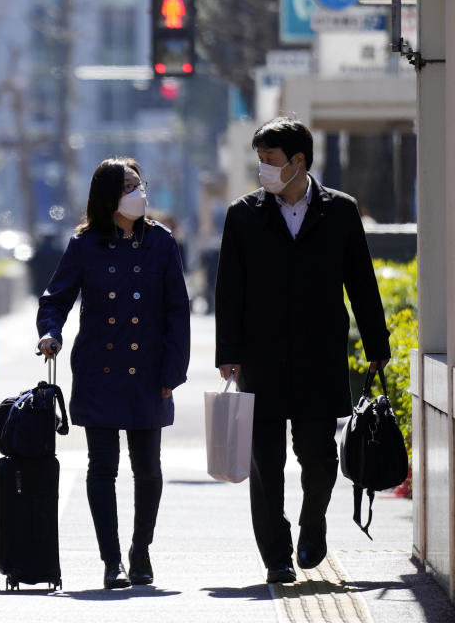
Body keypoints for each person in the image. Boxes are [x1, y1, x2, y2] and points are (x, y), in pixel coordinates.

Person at [214, 117, 390, 584]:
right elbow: (228, 289)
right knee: (264, 462)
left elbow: (362, 283)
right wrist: (228, 352)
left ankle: (313, 526)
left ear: (298, 162)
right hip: (261, 358)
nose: (263, 170)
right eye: (259, 161)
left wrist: (378, 343)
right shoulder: (243, 214)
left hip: (319, 356)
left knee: (319, 456)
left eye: (270, 161)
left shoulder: (341, 211)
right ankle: (275, 554)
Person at [37, 157, 190, 589]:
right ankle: (111, 561)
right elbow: (55, 299)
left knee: (149, 469)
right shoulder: (84, 244)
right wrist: (50, 333)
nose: (137, 192)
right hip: (99, 371)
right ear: (107, 195)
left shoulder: (161, 242)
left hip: (149, 371)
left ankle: (141, 552)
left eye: (139, 183)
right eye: (126, 186)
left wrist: (173, 370)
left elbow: (178, 310)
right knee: (102, 467)